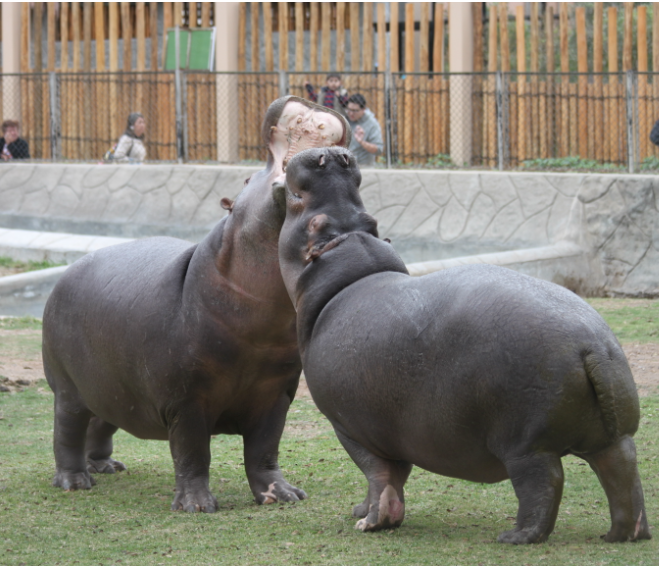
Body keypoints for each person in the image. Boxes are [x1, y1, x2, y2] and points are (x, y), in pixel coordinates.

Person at [345, 94, 383, 167]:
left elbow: (379, 150)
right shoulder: (344, 119)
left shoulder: (372, 124)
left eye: (355, 110)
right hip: (344, 167)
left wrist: (361, 142)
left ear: (363, 110)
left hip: (363, 167)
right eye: (349, 109)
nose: (351, 113)